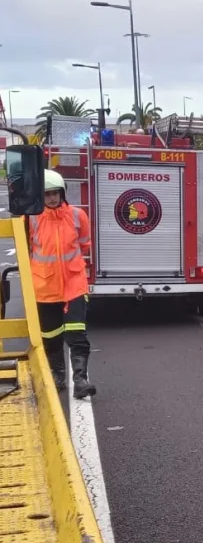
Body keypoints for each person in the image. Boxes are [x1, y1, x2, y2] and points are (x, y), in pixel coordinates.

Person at [28, 169, 96, 398]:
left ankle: (81, 381)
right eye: (47, 194)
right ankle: (58, 377)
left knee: (77, 334)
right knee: (51, 336)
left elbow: (85, 244)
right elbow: (25, 246)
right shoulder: (31, 218)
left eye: (55, 193)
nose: (52, 198)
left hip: (74, 285)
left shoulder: (78, 216)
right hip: (44, 288)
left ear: (63, 192)